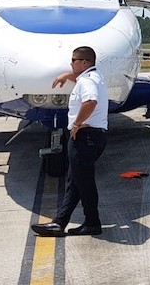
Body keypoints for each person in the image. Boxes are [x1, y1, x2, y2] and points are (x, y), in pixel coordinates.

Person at [31, 46, 108, 237]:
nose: (71, 63)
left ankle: (92, 222)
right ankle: (60, 222)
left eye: (74, 60)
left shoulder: (87, 82)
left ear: (85, 63)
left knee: (85, 182)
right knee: (75, 181)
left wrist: (77, 124)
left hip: (85, 137)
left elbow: (90, 102)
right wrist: (67, 76)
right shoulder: (94, 77)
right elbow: (84, 85)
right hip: (94, 136)